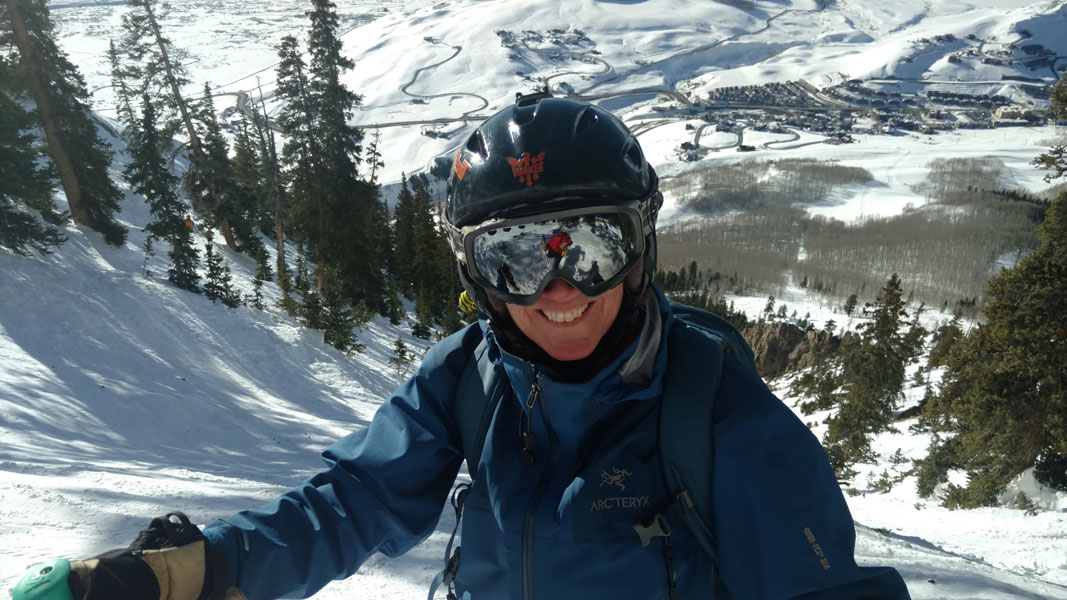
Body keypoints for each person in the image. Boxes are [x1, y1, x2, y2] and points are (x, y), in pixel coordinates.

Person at [47, 92, 911, 600]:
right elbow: (350, 504)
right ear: (475, 271)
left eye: (590, 247)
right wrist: (190, 573)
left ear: (640, 249)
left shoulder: (714, 409)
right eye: (517, 260)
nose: (560, 291)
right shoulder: (468, 376)